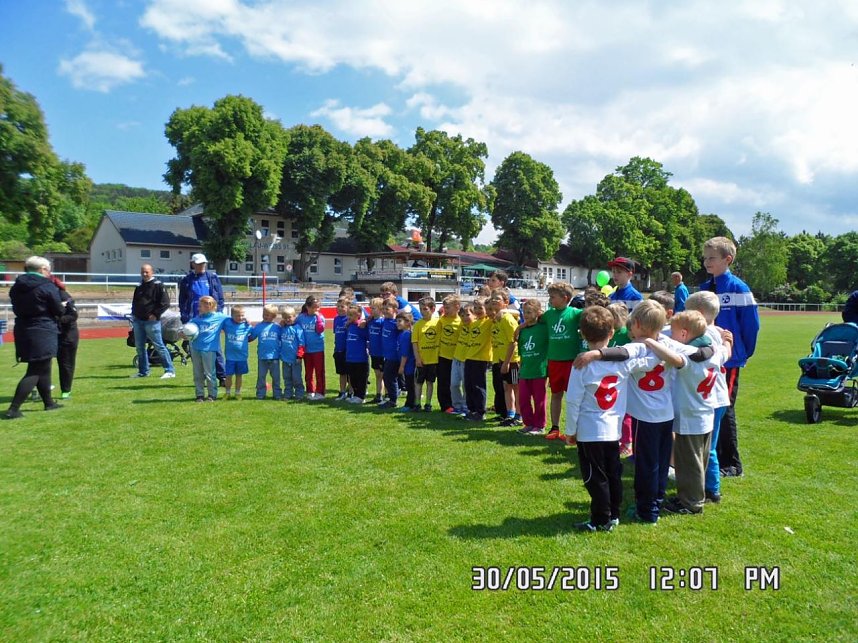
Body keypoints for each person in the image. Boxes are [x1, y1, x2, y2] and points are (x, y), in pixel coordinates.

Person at [563, 306, 659, 532]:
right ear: (612, 333)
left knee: (594, 477)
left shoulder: (581, 365)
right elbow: (652, 361)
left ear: (582, 334)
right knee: (613, 473)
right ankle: (613, 513)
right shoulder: (622, 361)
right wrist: (653, 341)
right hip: (613, 430)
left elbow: (573, 401)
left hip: (589, 431)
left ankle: (600, 519)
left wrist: (570, 430)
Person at [647, 311, 732, 515]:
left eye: (674, 331)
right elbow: (726, 351)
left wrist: (650, 342)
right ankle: (693, 495)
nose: (671, 334)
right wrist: (728, 341)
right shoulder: (714, 351)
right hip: (705, 414)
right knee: (699, 459)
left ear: (684, 334)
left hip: (690, 417)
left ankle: (691, 503)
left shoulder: (692, 359)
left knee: (688, 462)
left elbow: (675, 357)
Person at [699, 236, 759, 477]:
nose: (706, 262)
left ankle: (732, 463)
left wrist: (741, 353)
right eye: (704, 257)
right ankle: (712, 456)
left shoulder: (739, 288)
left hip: (729, 360)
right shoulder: (705, 288)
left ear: (728, 259)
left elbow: (751, 326)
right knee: (711, 405)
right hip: (707, 357)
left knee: (726, 407)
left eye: (712, 258)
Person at [4, 256, 65, 419]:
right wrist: (63, 308)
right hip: (43, 329)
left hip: (24, 328)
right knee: (36, 370)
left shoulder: (17, 286)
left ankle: (49, 402)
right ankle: (13, 408)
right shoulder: (46, 286)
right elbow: (58, 309)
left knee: (43, 366)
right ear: (43, 269)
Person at [539, 282, 583, 439]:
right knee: (556, 394)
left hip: (572, 362)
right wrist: (521, 326)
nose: (550, 300)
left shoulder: (575, 313)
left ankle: (573, 430)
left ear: (565, 298)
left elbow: (593, 317)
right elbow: (534, 322)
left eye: (553, 297)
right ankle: (555, 428)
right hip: (554, 361)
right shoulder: (548, 315)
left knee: (573, 397)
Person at [179, 253, 226, 384]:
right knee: (196, 349)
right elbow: (182, 301)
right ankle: (203, 377)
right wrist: (184, 317)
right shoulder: (186, 280)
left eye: (203, 263)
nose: (201, 266)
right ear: (193, 264)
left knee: (215, 348)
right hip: (194, 321)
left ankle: (222, 376)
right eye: (198, 263)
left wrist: (218, 315)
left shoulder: (212, 278)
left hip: (210, 320)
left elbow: (220, 298)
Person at [130, 263, 176, 380]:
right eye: (143, 272)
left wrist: (155, 314)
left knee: (159, 346)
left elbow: (165, 303)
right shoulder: (139, 286)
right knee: (139, 347)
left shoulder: (158, 285)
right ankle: (143, 371)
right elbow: (135, 302)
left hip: (152, 322)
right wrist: (134, 315)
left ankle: (169, 370)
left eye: (147, 272)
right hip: (138, 321)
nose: (144, 274)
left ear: (152, 272)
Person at [510, 298, 548, 435]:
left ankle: (539, 425)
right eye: (525, 312)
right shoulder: (523, 331)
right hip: (525, 370)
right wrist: (520, 327)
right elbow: (522, 351)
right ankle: (528, 423)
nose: (526, 315)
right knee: (523, 399)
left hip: (539, 370)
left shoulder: (544, 328)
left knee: (539, 400)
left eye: (530, 312)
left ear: (538, 312)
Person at [184, 295, 228, 402]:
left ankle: (212, 395)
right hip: (195, 349)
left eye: (201, 306)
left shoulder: (220, 317)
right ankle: (199, 395)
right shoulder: (196, 319)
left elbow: (233, 321)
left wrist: (244, 321)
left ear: (209, 306)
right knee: (198, 373)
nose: (199, 308)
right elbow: (186, 329)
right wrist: (183, 333)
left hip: (209, 350)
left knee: (210, 373)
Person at [490, 295, 521, 426]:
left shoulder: (507, 319)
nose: (494, 301)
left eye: (497, 299)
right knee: (507, 387)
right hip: (502, 359)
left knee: (516, 388)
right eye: (492, 299)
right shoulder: (496, 319)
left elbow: (513, 342)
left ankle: (519, 416)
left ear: (506, 302)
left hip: (512, 360)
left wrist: (507, 362)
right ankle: (510, 414)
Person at [463, 297, 493, 421]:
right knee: (468, 385)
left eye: (481, 308)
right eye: (475, 308)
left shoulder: (489, 321)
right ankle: (472, 410)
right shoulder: (474, 323)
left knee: (478, 386)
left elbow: (509, 313)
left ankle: (480, 411)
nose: (478, 310)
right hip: (469, 357)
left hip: (480, 358)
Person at [51, 275, 79, 399]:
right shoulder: (46, 296)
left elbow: (73, 315)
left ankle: (65, 390)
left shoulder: (63, 296)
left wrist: (57, 320)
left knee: (66, 364)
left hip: (67, 336)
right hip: (51, 334)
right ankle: (43, 388)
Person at [412, 297, 440, 412]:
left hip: (433, 360)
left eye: (425, 309)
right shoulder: (418, 324)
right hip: (422, 360)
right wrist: (417, 358)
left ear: (433, 309)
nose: (423, 311)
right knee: (418, 382)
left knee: (430, 382)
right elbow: (415, 343)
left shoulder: (438, 323)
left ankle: (428, 404)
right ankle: (417, 403)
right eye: (421, 309)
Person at [296, 295, 326, 400]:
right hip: (306, 350)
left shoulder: (320, 317)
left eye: (318, 307)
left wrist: (317, 317)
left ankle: (320, 392)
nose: (316, 310)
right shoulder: (301, 317)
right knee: (308, 372)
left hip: (318, 349)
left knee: (319, 371)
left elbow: (320, 329)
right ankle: (310, 391)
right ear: (307, 307)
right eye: (314, 307)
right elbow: (293, 325)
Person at [251, 304, 282, 400]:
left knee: (276, 377)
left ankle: (277, 394)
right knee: (261, 377)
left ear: (273, 316)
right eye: (264, 314)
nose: (265, 316)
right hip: (262, 356)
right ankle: (260, 393)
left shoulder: (277, 327)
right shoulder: (259, 326)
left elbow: (283, 338)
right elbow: (251, 337)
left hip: (275, 357)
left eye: (268, 315)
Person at [437, 294, 462, 413]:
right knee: (443, 382)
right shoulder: (442, 320)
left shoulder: (461, 321)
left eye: (448, 308)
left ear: (457, 307)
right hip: (443, 356)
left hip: (456, 357)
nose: (445, 310)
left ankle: (457, 404)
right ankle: (445, 405)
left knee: (455, 383)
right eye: (444, 308)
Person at [222, 305, 252, 400]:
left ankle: (238, 393)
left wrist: (248, 321)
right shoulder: (227, 323)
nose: (240, 318)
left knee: (239, 376)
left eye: (242, 315)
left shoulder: (247, 326)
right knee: (228, 376)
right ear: (232, 316)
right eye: (237, 315)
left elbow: (254, 334)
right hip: (230, 357)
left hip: (242, 357)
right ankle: (227, 392)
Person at [344, 304, 370, 404]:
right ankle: (355, 395)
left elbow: (368, 338)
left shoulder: (361, 326)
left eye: (351, 315)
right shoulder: (349, 326)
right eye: (348, 315)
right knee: (352, 378)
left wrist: (363, 323)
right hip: (350, 358)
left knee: (361, 378)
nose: (349, 317)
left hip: (361, 358)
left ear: (358, 315)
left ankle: (361, 396)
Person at [279, 306, 306, 401]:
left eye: (289, 317)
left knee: (297, 378)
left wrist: (299, 356)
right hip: (285, 359)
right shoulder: (282, 328)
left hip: (295, 359)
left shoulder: (297, 328)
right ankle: (288, 394)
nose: (287, 319)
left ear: (294, 316)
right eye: (285, 317)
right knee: (286, 378)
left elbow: (302, 343)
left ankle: (299, 393)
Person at [379, 300, 401, 409]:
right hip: (387, 355)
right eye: (383, 309)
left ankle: (393, 400)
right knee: (387, 377)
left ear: (395, 310)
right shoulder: (385, 321)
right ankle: (392, 398)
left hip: (394, 356)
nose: (384, 311)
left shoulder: (397, 323)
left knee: (389, 377)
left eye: (387, 309)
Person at [396, 312, 417, 411]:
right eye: (397, 321)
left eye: (400, 321)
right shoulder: (404, 334)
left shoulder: (406, 335)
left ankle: (410, 404)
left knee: (410, 385)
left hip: (409, 365)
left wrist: (402, 366)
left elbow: (405, 353)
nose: (397, 323)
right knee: (410, 385)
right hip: (408, 365)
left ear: (408, 322)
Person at [367, 298, 386, 404]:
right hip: (373, 352)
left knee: (383, 375)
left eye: (373, 308)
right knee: (377, 374)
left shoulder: (383, 322)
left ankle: (386, 395)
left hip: (382, 352)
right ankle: (378, 395)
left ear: (380, 309)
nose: (371, 310)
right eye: (370, 308)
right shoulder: (370, 321)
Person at [332, 297, 351, 401]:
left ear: (348, 307)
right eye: (338, 306)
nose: (339, 308)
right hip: (338, 350)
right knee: (341, 373)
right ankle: (342, 391)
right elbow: (336, 334)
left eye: (342, 306)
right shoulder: (336, 319)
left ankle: (351, 392)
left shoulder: (350, 320)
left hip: (348, 351)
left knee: (350, 374)